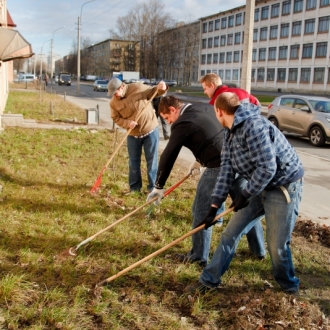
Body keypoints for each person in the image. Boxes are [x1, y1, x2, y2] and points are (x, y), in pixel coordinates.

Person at [186, 92, 304, 294]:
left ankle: (289, 288)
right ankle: (209, 281)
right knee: (230, 234)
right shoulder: (230, 132)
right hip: (259, 186)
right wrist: (214, 206)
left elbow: (268, 167)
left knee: (277, 247)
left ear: (219, 111)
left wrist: (246, 194)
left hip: (282, 187)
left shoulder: (254, 127)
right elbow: (226, 170)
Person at [146, 95, 265, 267]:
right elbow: (208, 134)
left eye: (167, 118)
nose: (169, 122)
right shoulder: (203, 107)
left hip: (218, 166)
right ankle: (258, 250)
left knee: (201, 211)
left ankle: (198, 256)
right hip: (237, 161)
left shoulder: (181, 123)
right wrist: (200, 160)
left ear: (173, 110)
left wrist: (159, 186)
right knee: (245, 207)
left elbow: (169, 154)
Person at [108, 78, 167, 193]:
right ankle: (134, 189)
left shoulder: (138, 87)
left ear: (121, 87)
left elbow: (155, 91)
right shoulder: (113, 103)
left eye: (115, 93)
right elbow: (115, 118)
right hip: (132, 135)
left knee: (152, 161)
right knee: (133, 163)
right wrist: (127, 123)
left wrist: (162, 88)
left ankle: (153, 189)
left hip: (150, 130)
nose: (114, 96)